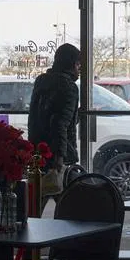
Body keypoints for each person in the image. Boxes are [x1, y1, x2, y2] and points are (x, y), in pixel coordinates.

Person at [28, 43, 81, 183]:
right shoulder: (69, 87)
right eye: (78, 66)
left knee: (40, 195)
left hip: (38, 149)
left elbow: (42, 116)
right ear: (73, 64)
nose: (79, 71)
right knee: (64, 195)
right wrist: (60, 156)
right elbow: (60, 123)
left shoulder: (41, 81)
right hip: (58, 155)